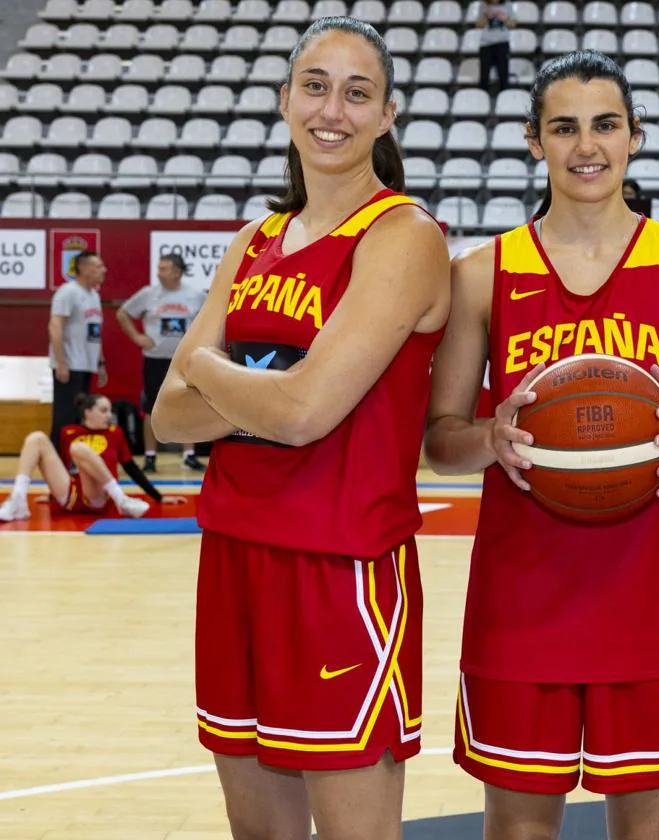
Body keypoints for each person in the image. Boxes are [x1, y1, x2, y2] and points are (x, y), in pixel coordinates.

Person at [424, 50, 659, 839]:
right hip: (521, 596)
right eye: (563, 128)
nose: (586, 146)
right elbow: (441, 440)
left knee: (649, 832)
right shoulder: (480, 271)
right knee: (518, 830)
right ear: (534, 142)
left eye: (605, 125)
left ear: (635, 136)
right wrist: (490, 438)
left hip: (652, 592)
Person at [149, 17, 450, 840]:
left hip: (341, 571)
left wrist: (207, 367)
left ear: (387, 116)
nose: (333, 110)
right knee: (260, 834)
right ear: (285, 100)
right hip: (234, 555)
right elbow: (164, 417)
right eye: (315, 86)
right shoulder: (254, 240)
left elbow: (303, 412)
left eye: (358, 94)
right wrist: (259, 390)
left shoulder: (404, 236)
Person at [0, 394, 173, 522]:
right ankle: (18, 500)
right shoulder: (68, 432)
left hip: (98, 494)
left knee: (78, 448)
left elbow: (131, 467)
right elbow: (60, 466)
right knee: (36, 438)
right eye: (104, 410)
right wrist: (52, 494)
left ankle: (121, 499)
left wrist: (158, 497)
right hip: (71, 493)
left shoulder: (115, 433)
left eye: (110, 411)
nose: (108, 416)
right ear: (87, 412)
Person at [115, 252, 208, 472]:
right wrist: (137, 337)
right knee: (151, 407)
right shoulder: (149, 294)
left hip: (185, 359)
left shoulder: (195, 295)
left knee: (188, 403)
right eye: (158, 268)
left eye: (164, 268)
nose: (159, 273)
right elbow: (122, 313)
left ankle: (189, 454)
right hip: (155, 359)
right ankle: (149, 456)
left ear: (177, 272)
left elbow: (209, 320)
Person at [49, 250, 107, 448]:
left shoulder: (94, 296)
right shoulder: (68, 292)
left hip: (87, 364)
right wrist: (61, 362)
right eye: (98, 266)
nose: (104, 270)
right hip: (70, 364)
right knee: (65, 415)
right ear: (82, 268)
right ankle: (57, 456)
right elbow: (55, 326)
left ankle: (74, 456)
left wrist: (100, 363)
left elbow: (95, 331)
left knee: (81, 415)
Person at [476, 0, 517, 93]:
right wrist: (487, 17)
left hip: (502, 43)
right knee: (484, 77)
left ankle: (504, 100)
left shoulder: (508, 4)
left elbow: (513, 24)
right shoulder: (483, 5)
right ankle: (482, 100)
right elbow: (478, 24)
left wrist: (503, 18)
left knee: (503, 76)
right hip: (485, 44)